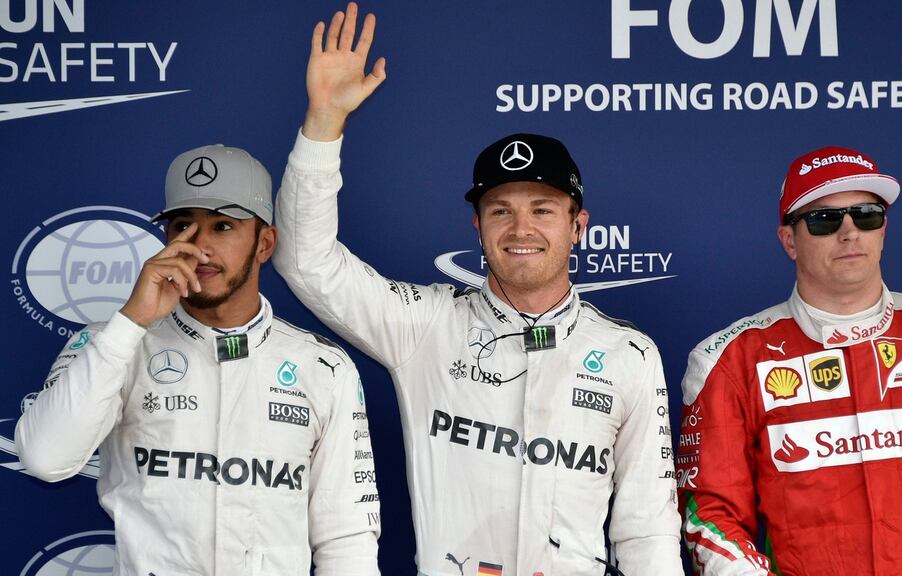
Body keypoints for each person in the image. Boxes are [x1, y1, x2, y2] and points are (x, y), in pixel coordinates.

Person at [272, 4, 683, 575]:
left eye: (543, 209)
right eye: (500, 210)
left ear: (578, 226)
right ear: (478, 226)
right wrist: (323, 124)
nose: (521, 229)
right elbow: (306, 261)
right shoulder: (425, 325)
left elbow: (647, 531)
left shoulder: (628, 355)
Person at [16, 144, 380, 576]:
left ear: (264, 244)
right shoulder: (110, 344)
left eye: (222, 226)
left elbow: (347, 540)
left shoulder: (323, 367)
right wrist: (132, 322)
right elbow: (44, 459)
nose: (199, 247)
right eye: (183, 225)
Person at [676, 145, 902, 575]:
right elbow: (713, 514)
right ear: (789, 240)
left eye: (866, 215)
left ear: (883, 229)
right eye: (824, 220)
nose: (849, 232)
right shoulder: (729, 360)